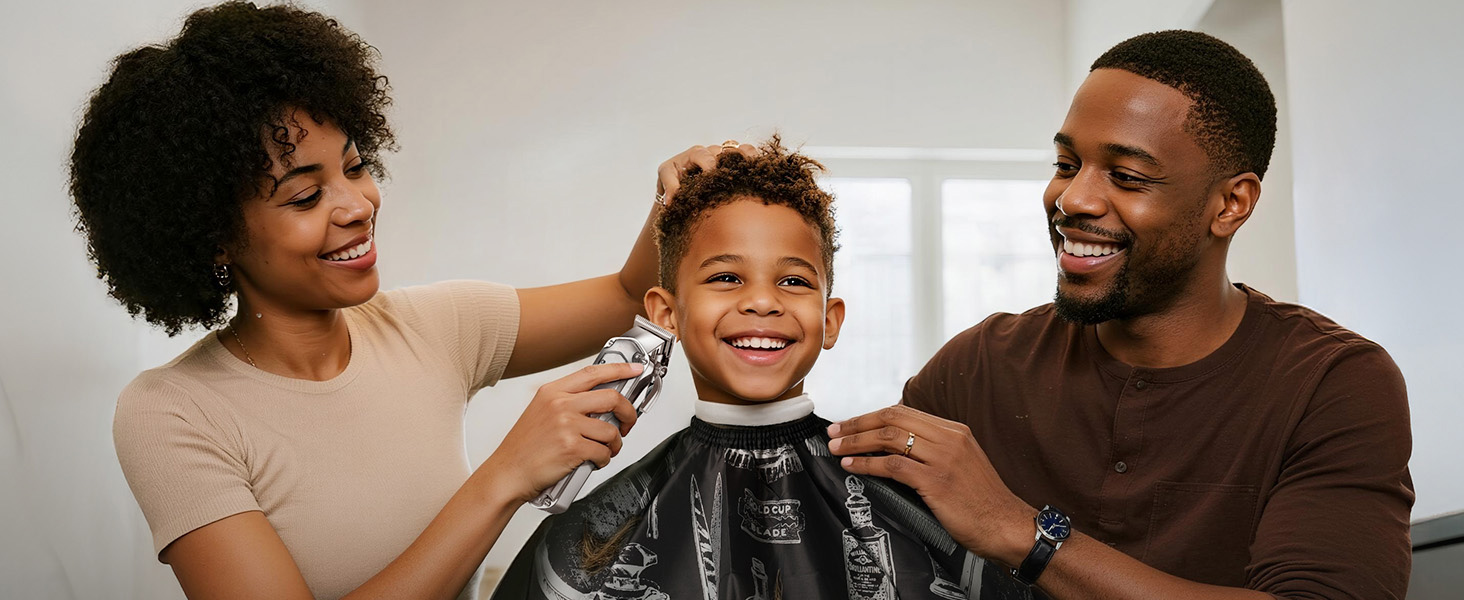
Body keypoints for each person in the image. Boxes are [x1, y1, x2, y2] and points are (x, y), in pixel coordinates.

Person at [68, 3, 751, 599]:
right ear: (214, 236)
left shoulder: (435, 325)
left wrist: (678, 198)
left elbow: (631, 293)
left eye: (356, 166)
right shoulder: (172, 414)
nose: (358, 205)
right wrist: (505, 475)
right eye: (306, 196)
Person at [828, 30, 1414, 599]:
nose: (1073, 199)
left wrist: (1020, 532)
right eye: (1065, 163)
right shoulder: (979, 366)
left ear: (1230, 204)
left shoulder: (1334, 385)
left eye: (1127, 176)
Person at [489, 139, 1030, 599]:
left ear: (830, 319)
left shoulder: (904, 504)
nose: (762, 302)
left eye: (794, 281)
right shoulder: (597, 532)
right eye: (726, 277)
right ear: (666, 313)